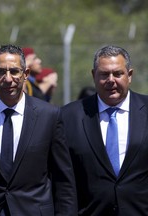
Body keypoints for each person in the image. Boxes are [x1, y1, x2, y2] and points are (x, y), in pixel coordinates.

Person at [0, 44, 77, 216]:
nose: (8, 79)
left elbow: (63, 179)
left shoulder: (49, 115)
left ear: (26, 74)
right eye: (1, 72)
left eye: (15, 71)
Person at [61, 45, 148, 215]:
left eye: (117, 74)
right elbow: (62, 180)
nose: (111, 80)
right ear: (94, 76)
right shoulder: (69, 116)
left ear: (129, 75)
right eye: (104, 74)